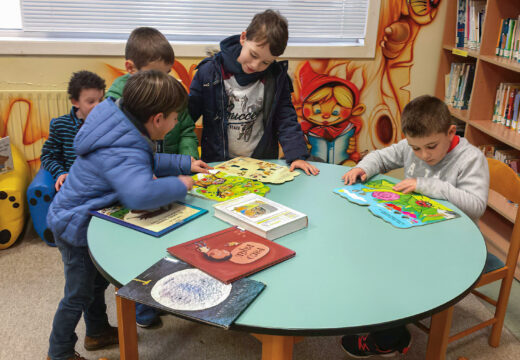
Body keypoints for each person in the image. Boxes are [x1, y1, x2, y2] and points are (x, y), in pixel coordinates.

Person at [46, 70, 211, 360]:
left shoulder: (119, 120)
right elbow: (139, 193)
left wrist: (185, 163)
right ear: (158, 119)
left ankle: (96, 332)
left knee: (95, 286)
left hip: (86, 220)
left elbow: (141, 160)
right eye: (175, 118)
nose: (176, 124)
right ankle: (58, 353)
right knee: (78, 295)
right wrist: (180, 184)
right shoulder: (124, 144)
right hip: (75, 224)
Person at [340, 94, 489, 357]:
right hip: (415, 230)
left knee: (397, 273)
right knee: (365, 250)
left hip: (454, 242)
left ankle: (387, 340)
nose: (423, 155)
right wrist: (363, 168)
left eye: (431, 146)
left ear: (451, 131)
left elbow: (475, 205)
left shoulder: (471, 158)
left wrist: (425, 184)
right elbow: (382, 157)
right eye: (415, 148)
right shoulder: (412, 147)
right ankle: (375, 314)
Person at [188, 9, 319, 175]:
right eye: (253, 54)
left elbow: (286, 118)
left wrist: (297, 156)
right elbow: (186, 119)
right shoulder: (208, 72)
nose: (256, 65)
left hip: (260, 164)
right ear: (243, 38)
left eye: (265, 62)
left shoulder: (276, 78)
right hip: (217, 164)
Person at [106, 26, 199, 159]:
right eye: (154, 75)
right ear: (131, 68)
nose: (162, 82)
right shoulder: (115, 103)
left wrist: (189, 161)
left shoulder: (172, 92)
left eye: (166, 74)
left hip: (172, 168)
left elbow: (186, 131)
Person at [41, 70, 105, 191]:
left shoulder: (109, 123)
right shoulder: (61, 125)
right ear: (75, 102)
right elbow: (48, 156)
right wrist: (60, 173)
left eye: (101, 100)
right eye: (91, 101)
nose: (98, 106)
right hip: (76, 187)